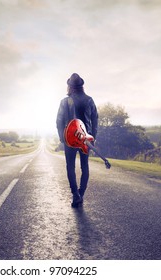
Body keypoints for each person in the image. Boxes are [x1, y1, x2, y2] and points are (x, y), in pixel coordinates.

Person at [56, 73, 98, 207]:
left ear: (70, 86)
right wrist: (93, 137)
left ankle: (76, 194)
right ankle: (81, 193)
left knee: (71, 166)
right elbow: (95, 119)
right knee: (84, 166)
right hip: (86, 139)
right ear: (81, 86)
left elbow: (59, 121)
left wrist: (63, 138)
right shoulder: (89, 100)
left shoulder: (64, 101)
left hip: (70, 139)